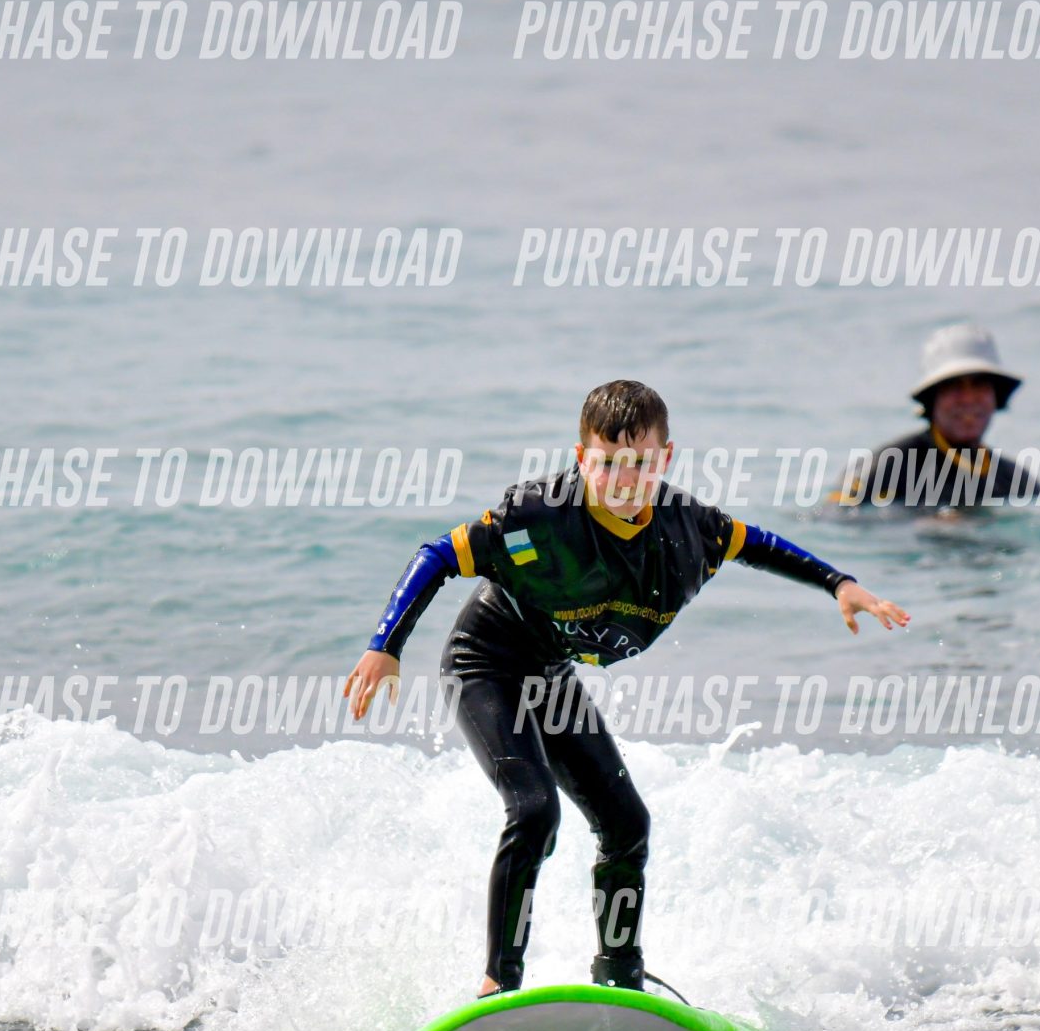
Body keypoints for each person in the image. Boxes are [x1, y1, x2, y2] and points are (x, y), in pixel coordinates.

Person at [345, 380, 910, 998]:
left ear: (665, 459)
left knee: (627, 824)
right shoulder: (536, 517)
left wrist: (838, 583)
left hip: (551, 672)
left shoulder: (688, 526)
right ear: (581, 457)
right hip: (485, 662)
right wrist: (385, 646)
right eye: (608, 462)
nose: (624, 479)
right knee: (534, 811)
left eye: (641, 462)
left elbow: (759, 546)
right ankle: (497, 984)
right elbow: (436, 556)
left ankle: (620, 977)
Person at [835, 321, 1039, 509]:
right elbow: (835, 518)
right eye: (953, 385)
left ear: (997, 396)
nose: (968, 398)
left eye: (980, 384)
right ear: (931, 398)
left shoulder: (1015, 481)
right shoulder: (884, 468)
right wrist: (920, 522)